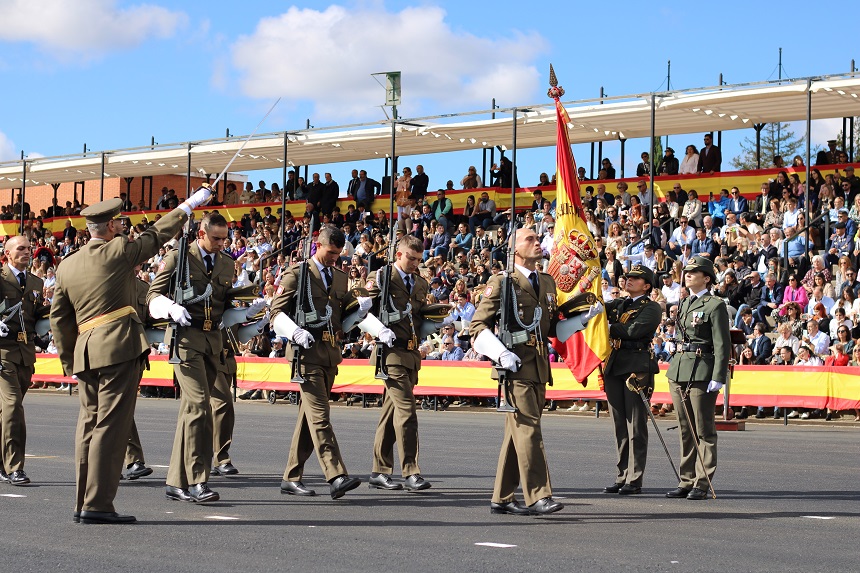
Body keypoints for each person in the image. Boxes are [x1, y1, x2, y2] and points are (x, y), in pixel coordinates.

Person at [50, 191, 202, 524]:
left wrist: (69, 361)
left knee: (89, 426)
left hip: (85, 353)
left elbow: (59, 319)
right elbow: (154, 237)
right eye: (119, 222)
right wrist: (186, 208)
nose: (123, 226)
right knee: (111, 427)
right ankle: (98, 504)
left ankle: (83, 501)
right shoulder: (117, 250)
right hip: (117, 346)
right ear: (109, 226)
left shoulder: (67, 265)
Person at [470, 228, 600, 516]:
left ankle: (502, 497)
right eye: (530, 239)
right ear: (514, 249)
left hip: (540, 366)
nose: (538, 242)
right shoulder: (502, 282)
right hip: (514, 366)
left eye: (538, 238)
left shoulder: (547, 281)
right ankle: (538, 496)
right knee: (529, 429)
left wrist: (581, 320)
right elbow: (477, 328)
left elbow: (552, 329)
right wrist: (501, 354)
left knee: (518, 433)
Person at [148, 212, 259, 504]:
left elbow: (223, 303)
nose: (222, 244)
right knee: (199, 408)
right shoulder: (178, 257)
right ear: (201, 234)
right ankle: (198, 480)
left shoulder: (226, 262)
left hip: (213, 342)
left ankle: (175, 482)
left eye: (225, 239)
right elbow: (153, 296)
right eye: (216, 238)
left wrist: (246, 308)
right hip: (185, 340)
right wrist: (170, 308)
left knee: (190, 413)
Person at [270, 225, 364, 499]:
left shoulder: (338, 277)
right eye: (330, 252)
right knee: (320, 417)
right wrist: (294, 333)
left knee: (308, 418)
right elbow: (276, 312)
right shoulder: (297, 275)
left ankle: (291, 476)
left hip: (329, 354)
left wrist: (360, 310)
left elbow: (344, 313)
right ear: (317, 245)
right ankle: (335, 476)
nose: (335, 258)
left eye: (338, 254)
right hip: (305, 356)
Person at [362, 234, 433, 492]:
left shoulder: (420, 284)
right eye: (411, 258)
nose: (415, 263)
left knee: (391, 414)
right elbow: (362, 310)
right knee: (407, 411)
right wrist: (378, 330)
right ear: (398, 255)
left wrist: (434, 324)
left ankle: (379, 471)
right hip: (389, 354)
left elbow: (418, 317)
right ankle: (411, 471)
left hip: (411, 355)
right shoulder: (381, 278)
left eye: (418, 259)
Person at [665, 256, 730, 501]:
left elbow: (722, 343)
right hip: (679, 369)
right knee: (685, 428)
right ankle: (686, 479)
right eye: (687, 271)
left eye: (695, 272)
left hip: (702, 371)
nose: (688, 274)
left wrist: (719, 375)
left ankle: (702, 482)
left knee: (704, 430)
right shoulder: (683, 303)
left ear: (707, 278)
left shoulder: (715, 305)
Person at [601, 264, 661, 496]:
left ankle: (634, 478)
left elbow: (633, 331)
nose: (629, 280)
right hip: (615, 363)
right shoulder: (619, 304)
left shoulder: (652, 307)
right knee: (619, 425)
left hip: (637, 367)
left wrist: (606, 327)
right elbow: (595, 308)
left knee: (636, 424)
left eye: (635, 278)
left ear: (646, 285)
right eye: (627, 277)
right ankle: (622, 474)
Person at [0, 236, 48, 486]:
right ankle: (14, 467)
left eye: (29, 249)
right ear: (7, 253)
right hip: (3, 354)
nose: (27, 252)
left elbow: (40, 313)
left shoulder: (36, 282)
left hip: (26, 354)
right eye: (21, 249)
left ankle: (1, 463)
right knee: (13, 408)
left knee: (5, 414)